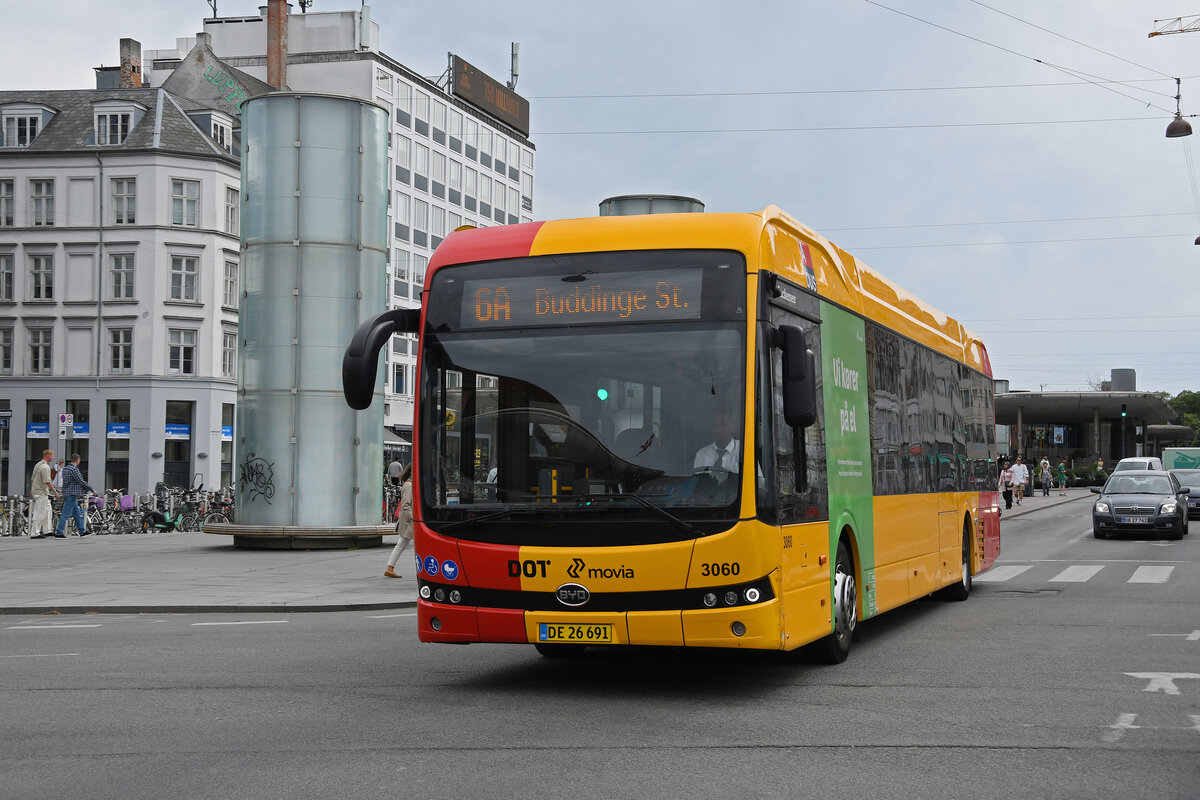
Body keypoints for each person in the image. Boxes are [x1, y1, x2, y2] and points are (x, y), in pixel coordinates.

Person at [54, 454, 98, 538]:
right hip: (72, 493)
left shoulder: (66, 469)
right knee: (65, 513)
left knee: (76, 513)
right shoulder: (74, 469)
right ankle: (59, 532)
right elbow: (81, 481)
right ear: (78, 460)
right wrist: (92, 489)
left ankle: (82, 531)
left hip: (67, 492)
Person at [383, 463, 413, 578]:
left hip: (408, 520)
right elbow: (406, 504)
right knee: (402, 544)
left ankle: (390, 568)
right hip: (409, 521)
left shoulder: (407, 484)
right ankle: (389, 568)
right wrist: (413, 518)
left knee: (401, 544)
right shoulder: (409, 485)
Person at [28, 449, 60, 539]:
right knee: (40, 513)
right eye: (52, 456)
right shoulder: (45, 467)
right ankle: (35, 533)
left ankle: (47, 530)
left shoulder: (38, 465)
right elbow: (47, 482)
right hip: (41, 492)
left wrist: (31, 490)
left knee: (47, 511)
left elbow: (33, 478)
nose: (53, 457)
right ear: (47, 456)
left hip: (37, 491)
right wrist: (55, 492)